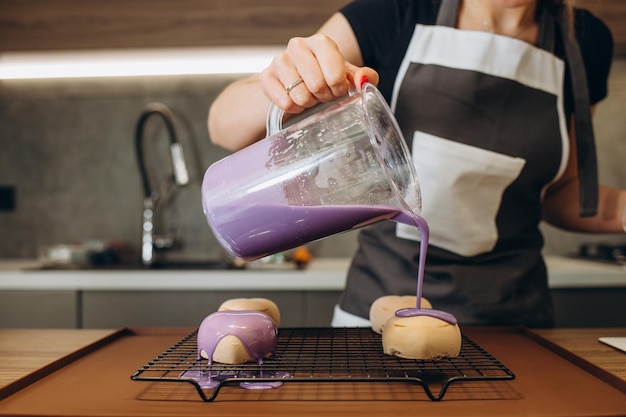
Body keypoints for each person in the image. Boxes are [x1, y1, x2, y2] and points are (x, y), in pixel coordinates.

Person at [208, 0, 626, 328]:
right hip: (376, 318)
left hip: (516, 327)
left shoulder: (584, 42)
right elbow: (223, 125)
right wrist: (290, 82)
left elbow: (563, 194)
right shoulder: (396, 12)